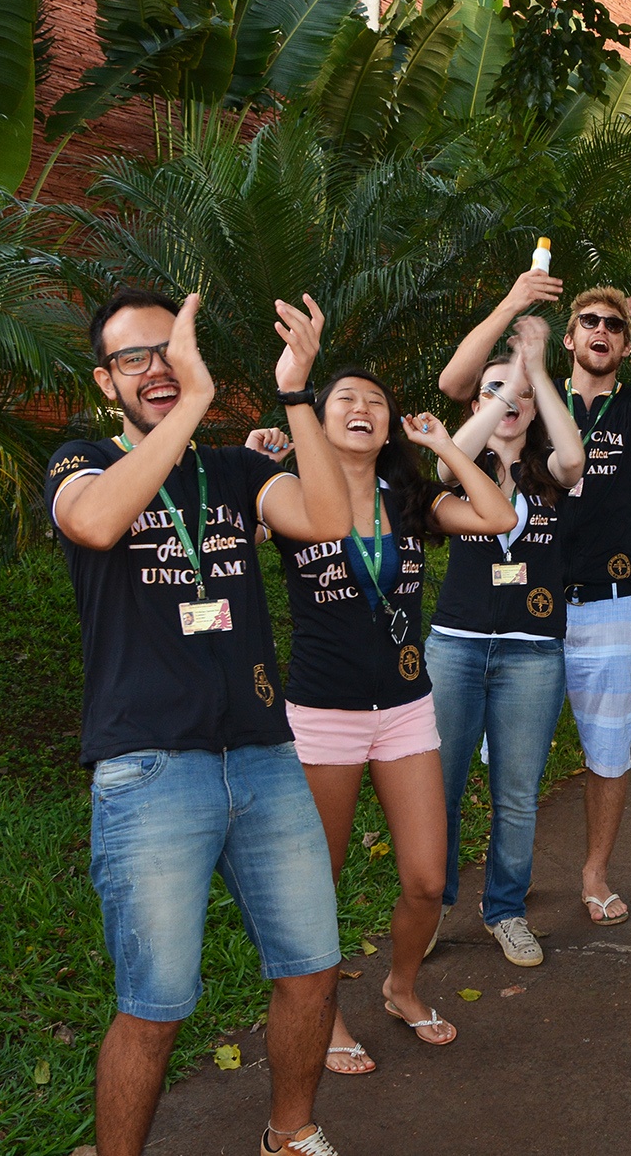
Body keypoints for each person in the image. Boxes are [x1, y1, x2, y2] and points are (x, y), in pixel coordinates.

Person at [46, 288, 352, 1156]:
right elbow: (101, 521)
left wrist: (298, 392)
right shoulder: (77, 462)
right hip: (149, 771)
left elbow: (328, 519)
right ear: (106, 382)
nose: (158, 368)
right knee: (154, 1004)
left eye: (168, 349)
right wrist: (195, 407)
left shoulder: (234, 469)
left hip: (260, 757)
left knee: (312, 966)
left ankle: (290, 1130)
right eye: (135, 357)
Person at [439, 270, 631, 925]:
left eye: (615, 325)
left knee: (608, 749)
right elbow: (456, 385)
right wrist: (511, 302)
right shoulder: (531, 399)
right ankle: (500, 873)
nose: (602, 331)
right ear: (569, 338)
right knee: (509, 759)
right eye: (589, 321)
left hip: (609, 607)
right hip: (523, 608)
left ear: (625, 346)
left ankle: (594, 872)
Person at [260, 368, 516, 1076]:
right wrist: (261, 460)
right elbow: (227, 528)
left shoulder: (407, 497)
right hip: (322, 714)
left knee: (428, 879)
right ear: (317, 416)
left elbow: (497, 517)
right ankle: (325, 1009)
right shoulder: (290, 493)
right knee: (322, 883)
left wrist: (446, 449)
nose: (362, 408)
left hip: (405, 710)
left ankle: (400, 986)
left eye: (378, 399)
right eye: (344, 397)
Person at [428, 315, 586, 967]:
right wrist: (502, 388)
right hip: (457, 646)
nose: (511, 398)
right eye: (496, 389)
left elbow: (575, 457)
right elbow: (443, 463)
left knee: (517, 791)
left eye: (520, 392)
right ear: (476, 401)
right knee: (440, 783)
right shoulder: (465, 462)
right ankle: (430, 905)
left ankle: (506, 908)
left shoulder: (551, 469)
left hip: (532, 650)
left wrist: (536, 370)